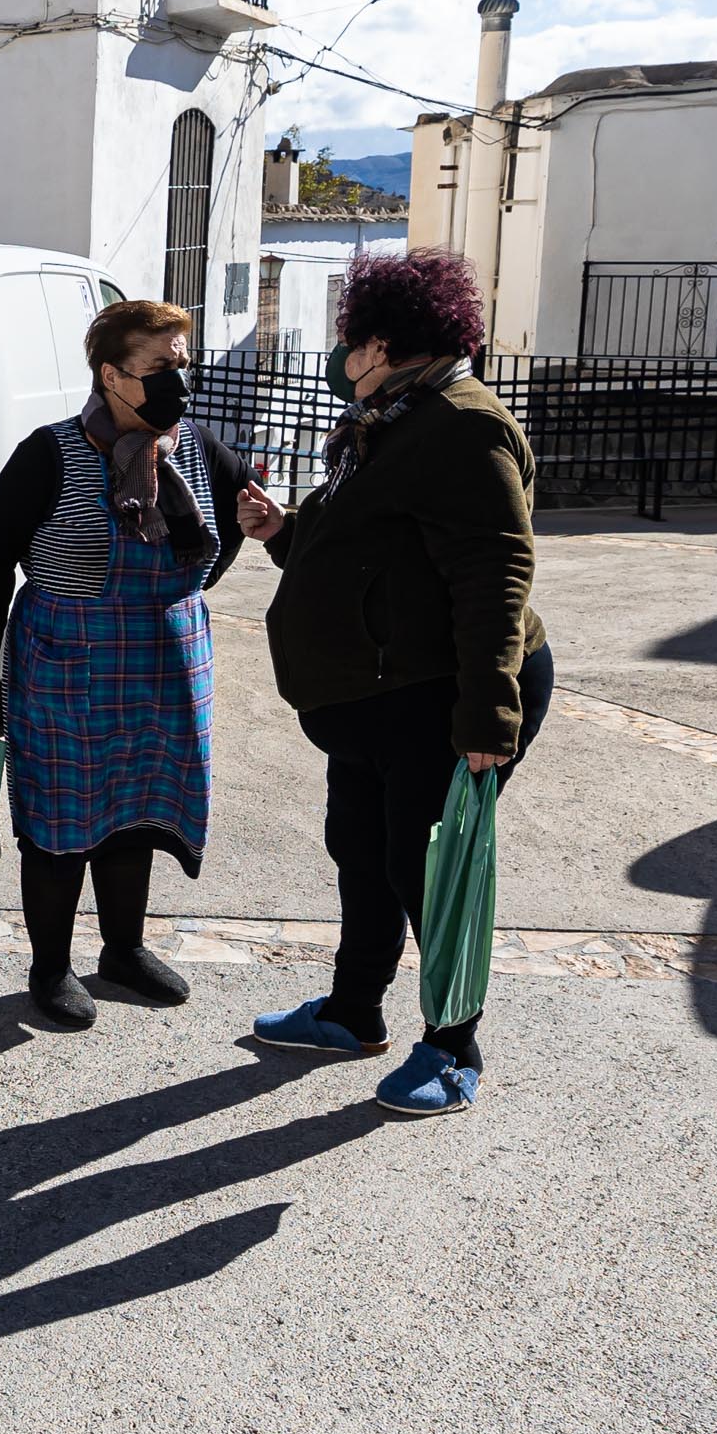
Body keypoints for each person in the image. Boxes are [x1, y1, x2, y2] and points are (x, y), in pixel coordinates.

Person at [250, 246, 551, 1120]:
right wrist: (284, 528)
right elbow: (371, 539)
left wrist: (490, 714)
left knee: (429, 871)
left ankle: (455, 1046)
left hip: (441, 692)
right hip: (375, 696)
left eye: (350, 340)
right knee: (363, 849)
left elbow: (495, 570)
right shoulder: (397, 413)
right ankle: (353, 1011)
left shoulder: (462, 422)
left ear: (380, 343)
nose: (345, 357)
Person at [0, 298, 282, 1028]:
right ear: (112, 374)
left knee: (137, 810)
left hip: (164, 666)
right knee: (62, 817)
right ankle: (50, 966)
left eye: (182, 364)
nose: (179, 381)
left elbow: (234, 529)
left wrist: (194, 590)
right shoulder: (52, 452)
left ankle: (122, 950)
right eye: (161, 366)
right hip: (65, 662)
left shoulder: (196, 449)